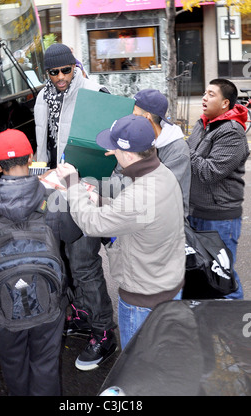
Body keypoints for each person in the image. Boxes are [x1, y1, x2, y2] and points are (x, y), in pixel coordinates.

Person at [0, 129, 82, 396]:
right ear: (31, 158)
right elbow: (73, 234)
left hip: (4, 304)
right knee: (45, 365)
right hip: (49, 299)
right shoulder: (52, 199)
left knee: (13, 365)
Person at [56, 115, 186, 350]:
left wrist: (73, 183)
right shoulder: (161, 173)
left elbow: (91, 224)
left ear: (127, 154)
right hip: (167, 285)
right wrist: (99, 199)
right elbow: (139, 214)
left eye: (114, 148)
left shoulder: (141, 193)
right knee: (159, 361)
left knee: (137, 369)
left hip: (143, 301)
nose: (111, 152)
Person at [34, 43, 117, 371]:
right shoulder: (43, 98)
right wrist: (39, 189)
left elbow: (111, 153)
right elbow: (43, 147)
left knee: (84, 261)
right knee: (65, 259)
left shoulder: (97, 93)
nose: (60, 77)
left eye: (65, 70)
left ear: (75, 67)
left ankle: (103, 331)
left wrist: (100, 192)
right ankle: (83, 314)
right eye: (53, 72)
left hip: (88, 191)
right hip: (55, 190)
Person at [187, 78, 250, 299]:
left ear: (225, 103)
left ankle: (234, 325)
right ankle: (209, 322)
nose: (204, 98)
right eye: (204, 93)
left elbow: (209, 172)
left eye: (211, 94)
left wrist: (183, 149)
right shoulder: (202, 123)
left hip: (220, 217)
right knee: (203, 272)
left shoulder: (232, 133)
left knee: (223, 275)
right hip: (195, 211)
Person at [133, 89, 191, 218]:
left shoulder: (178, 149)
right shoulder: (138, 138)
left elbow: (157, 190)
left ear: (147, 117)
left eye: (133, 114)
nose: (129, 118)